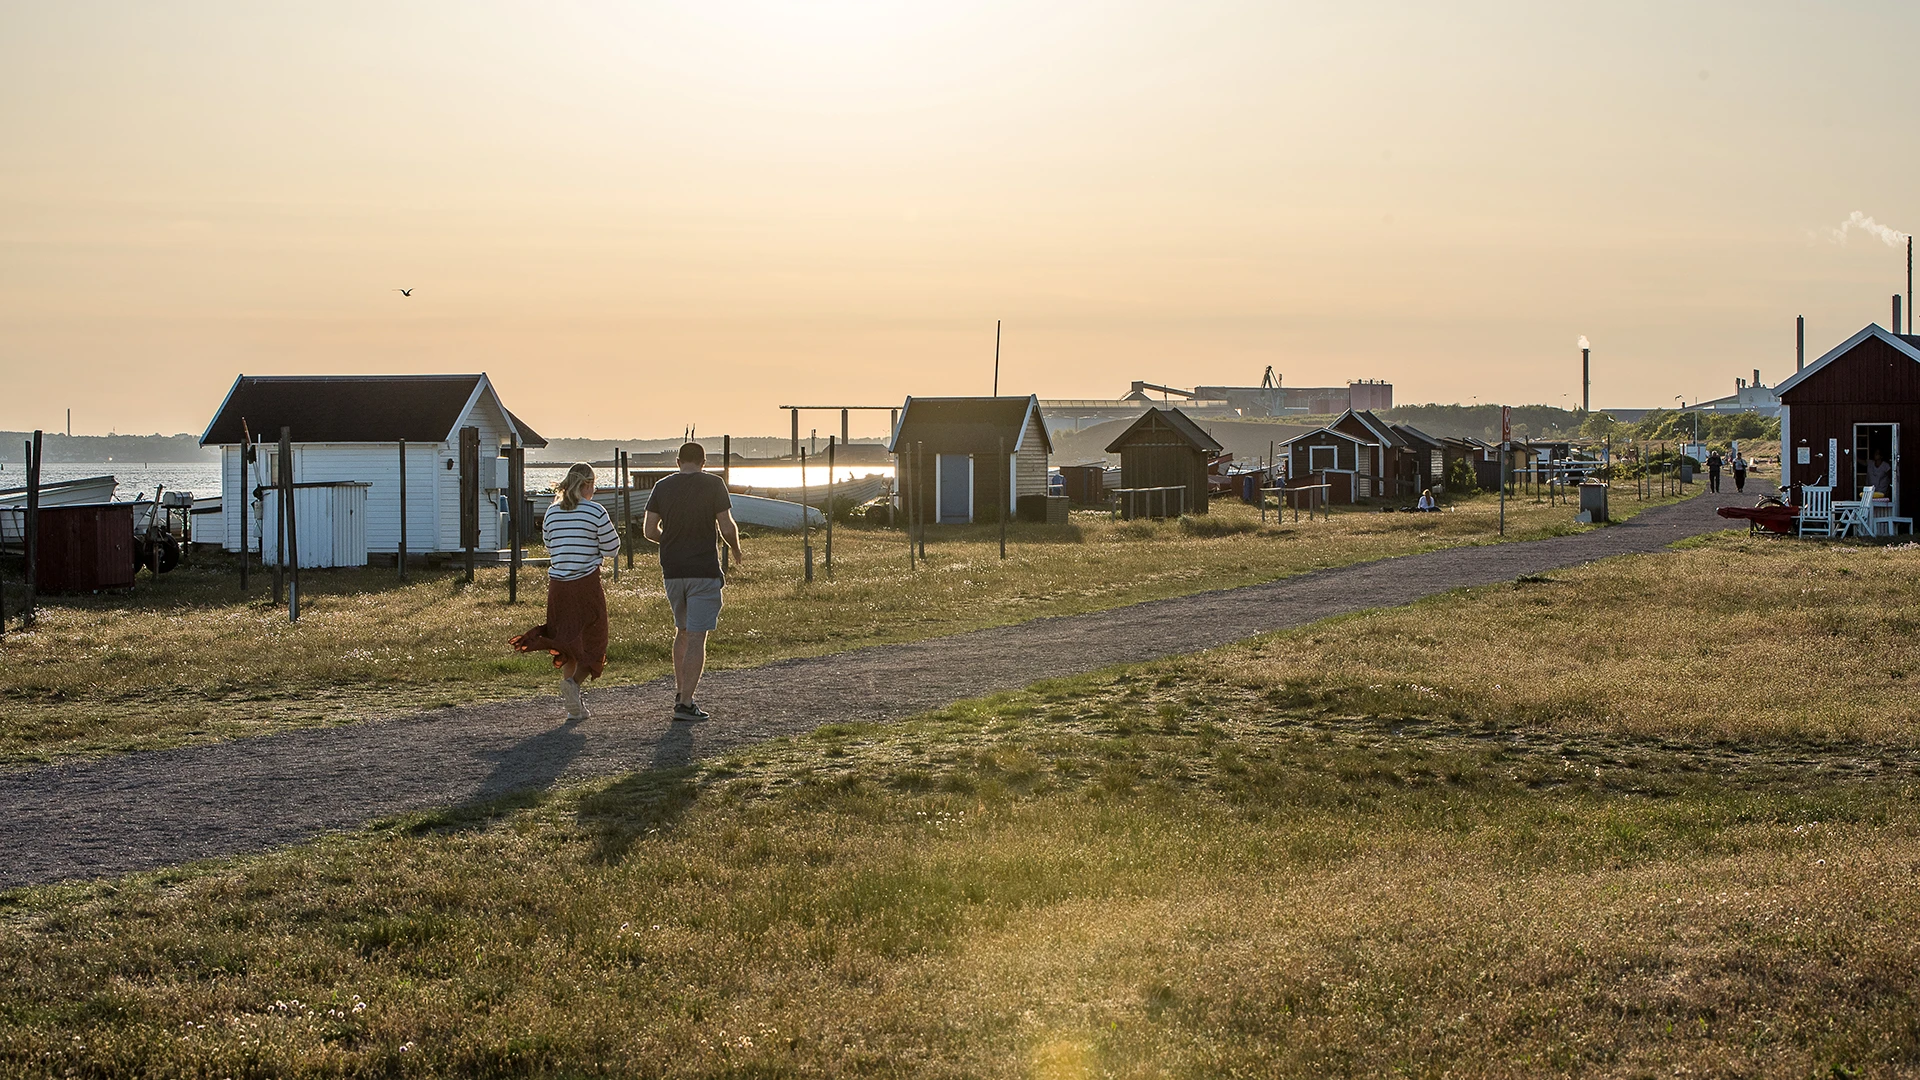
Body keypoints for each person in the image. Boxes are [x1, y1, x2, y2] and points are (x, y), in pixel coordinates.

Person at [510, 462, 621, 721]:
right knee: (595, 640)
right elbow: (613, 547)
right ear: (588, 484)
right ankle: (573, 686)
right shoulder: (595, 511)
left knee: (567, 642)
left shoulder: (552, 512)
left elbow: (549, 544)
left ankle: (575, 708)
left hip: (558, 586)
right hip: (586, 584)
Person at [644, 441, 744, 721]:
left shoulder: (662, 487)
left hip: (673, 570)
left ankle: (680, 690)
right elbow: (726, 525)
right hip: (703, 569)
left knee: (683, 630)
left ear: (678, 461)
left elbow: (649, 530)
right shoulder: (713, 484)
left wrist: (672, 541)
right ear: (704, 461)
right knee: (698, 636)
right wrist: (735, 548)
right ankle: (686, 703)